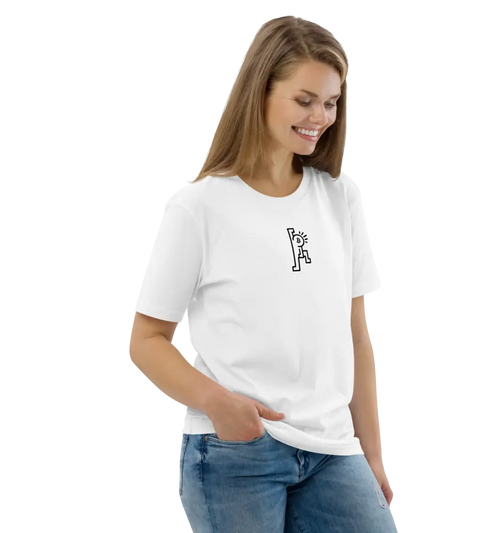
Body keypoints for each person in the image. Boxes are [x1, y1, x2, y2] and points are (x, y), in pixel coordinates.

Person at [127, 12, 400, 532]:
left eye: (331, 102)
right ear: (260, 93)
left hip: (332, 451)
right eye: (304, 100)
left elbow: (357, 335)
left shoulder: (342, 195)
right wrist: (220, 405)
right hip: (236, 452)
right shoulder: (196, 207)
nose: (320, 117)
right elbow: (145, 339)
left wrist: (372, 455)